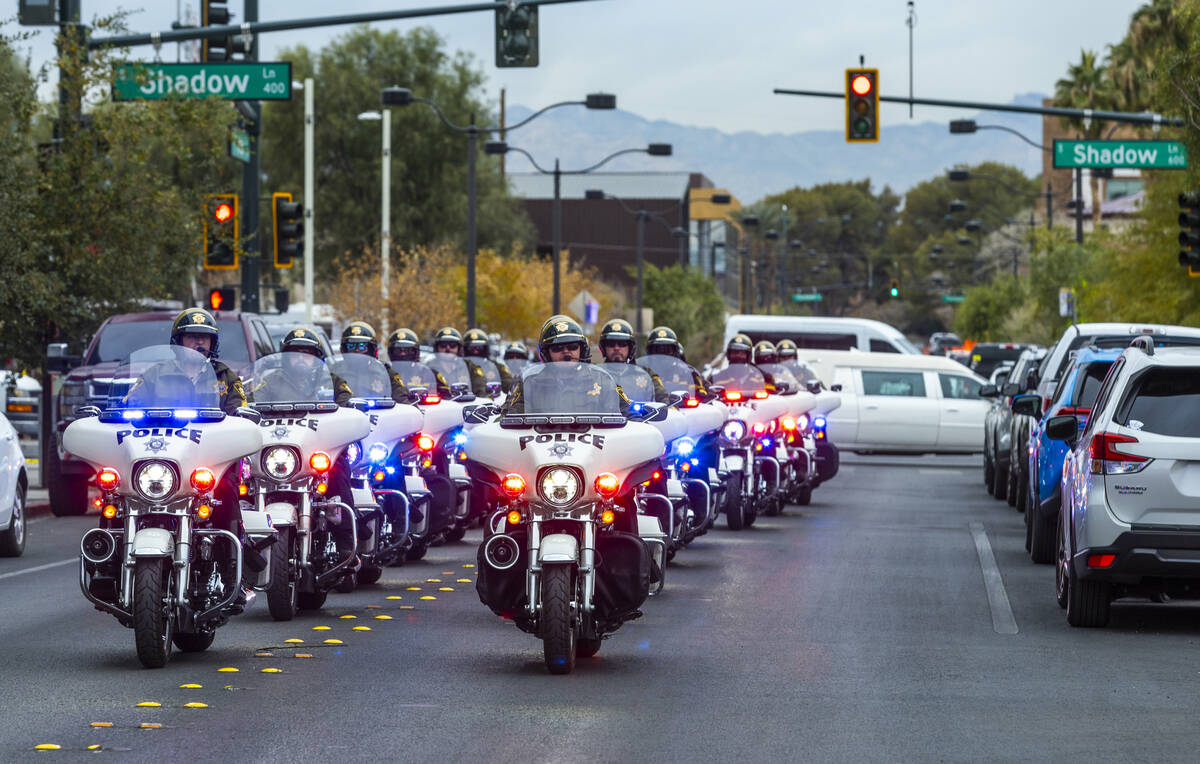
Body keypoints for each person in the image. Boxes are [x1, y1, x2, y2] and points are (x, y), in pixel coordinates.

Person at [504, 315, 633, 415]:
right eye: (557, 348)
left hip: (594, 447)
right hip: (540, 447)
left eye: (572, 346)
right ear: (546, 353)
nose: (566, 352)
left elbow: (631, 415)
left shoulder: (603, 379)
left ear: (581, 349)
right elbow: (507, 419)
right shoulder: (529, 383)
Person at [597, 318, 668, 404]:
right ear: (603, 347)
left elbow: (663, 399)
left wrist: (669, 408)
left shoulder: (646, 374)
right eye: (611, 344)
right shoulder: (595, 373)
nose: (616, 348)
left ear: (630, 347)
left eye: (622, 344)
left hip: (642, 417)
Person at [340, 321, 408, 403]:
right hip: (349, 414)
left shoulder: (385, 372)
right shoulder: (335, 372)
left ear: (371, 349)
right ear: (344, 349)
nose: (357, 350)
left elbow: (402, 398)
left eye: (362, 346)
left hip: (380, 414)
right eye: (351, 346)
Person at [643, 325, 707, 398]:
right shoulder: (641, 373)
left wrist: (702, 394)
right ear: (649, 352)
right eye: (657, 350)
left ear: (675, 352)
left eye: (668, 350)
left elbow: (704, 394)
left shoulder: (688, 373)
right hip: (652, 409)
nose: (663, 354)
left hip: (682, 409)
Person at [386, 328, 451, 398]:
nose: (403, 353)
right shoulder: (385, 373)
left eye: (407, 350)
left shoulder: (426, 372)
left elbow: (446, 396)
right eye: (398, 350)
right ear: (390, 352)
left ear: (416, 352)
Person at [433, 326, 489, 397]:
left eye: (452, 345)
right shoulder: (428, 368)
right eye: (443, 345)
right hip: (440, 406)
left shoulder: (470, 367)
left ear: (459, 348)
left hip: (465, 405)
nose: (448, 348)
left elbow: (481, 390)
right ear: (437, 347)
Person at [463, 327, 513, 391]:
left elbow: (509, 385)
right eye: (471, 348)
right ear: (465, 349)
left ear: (485, 349)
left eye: (479, 347)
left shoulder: (495, 366)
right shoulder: (458, 367)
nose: (475, 351)